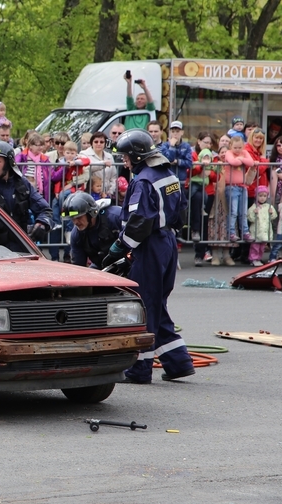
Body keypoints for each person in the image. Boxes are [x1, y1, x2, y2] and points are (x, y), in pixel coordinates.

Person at [103, 129, 194, 384]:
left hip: (150, 245)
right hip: (167, 242)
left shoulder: (143, 180)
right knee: (156, 304)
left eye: (126, 157)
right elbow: (181, 211)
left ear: (137, 155)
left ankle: (139, 369)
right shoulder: (168, 174)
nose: (124, 162)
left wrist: (120, 246)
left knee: (144, 306)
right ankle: (178, 362)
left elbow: (139, 220)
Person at [63, 191, 122, 268]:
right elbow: (79, 268)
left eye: (79, 217)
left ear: (91, 213)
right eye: (72, 218)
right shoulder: (76, 235)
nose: (75, 222)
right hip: (103, 267)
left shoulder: (116, 216)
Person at [223, 136, 255, 243]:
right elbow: (233, 162)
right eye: (235, 147)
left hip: (242, 186)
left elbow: (251, 163)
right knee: (233, 212)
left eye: (240, 147)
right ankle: (231, 232)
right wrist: (242, 160)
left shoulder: (244, 152)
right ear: (230, 146)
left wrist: (241, 158)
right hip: (231, 186)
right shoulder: (228, 153)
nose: (237, 150)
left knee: (243, 212)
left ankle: (245, 232)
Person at [15, 132, 55, 200]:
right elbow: (15, 166)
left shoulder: (44, 159)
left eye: (42, 145)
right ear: (30, 146)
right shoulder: (22, 156)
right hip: (26, 193)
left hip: (40, 194)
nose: (40, 147)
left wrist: (64, 168)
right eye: (37, 145)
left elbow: (53, 175)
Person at [79, 131, 116, 197]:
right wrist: (103, 164)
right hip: (90, 194)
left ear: (105, 143)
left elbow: (114, 177)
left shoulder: (109, 156)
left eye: (101, 142)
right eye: (96, 142)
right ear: (91, 143)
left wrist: (110, 192)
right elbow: (86, 168)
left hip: (107, 193)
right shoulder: (83, 154)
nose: (99, 144)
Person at [247, 185, 276, 267]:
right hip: (257, 230)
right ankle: (253, 259)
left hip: (265, 230)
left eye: (264, 196)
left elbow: (274, 217)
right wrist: (254, 213)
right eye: (260, 196)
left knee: (262, 246)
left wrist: (271, 213)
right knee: (255, 246)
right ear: (256, 196)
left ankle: (259, 258)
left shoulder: (268, 206)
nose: (262, 198)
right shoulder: (253, 207)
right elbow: (250, 219)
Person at [160, 120, 194, 186]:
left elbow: (189, 163)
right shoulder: (165, 145)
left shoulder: (186, 146)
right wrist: (172, 146)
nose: (175, 134)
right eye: (173, 131)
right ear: (170, 133)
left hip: (181, 179)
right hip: (168, 179)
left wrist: (177, 161)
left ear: (182, 132)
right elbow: (169, 159)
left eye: (177, 131)